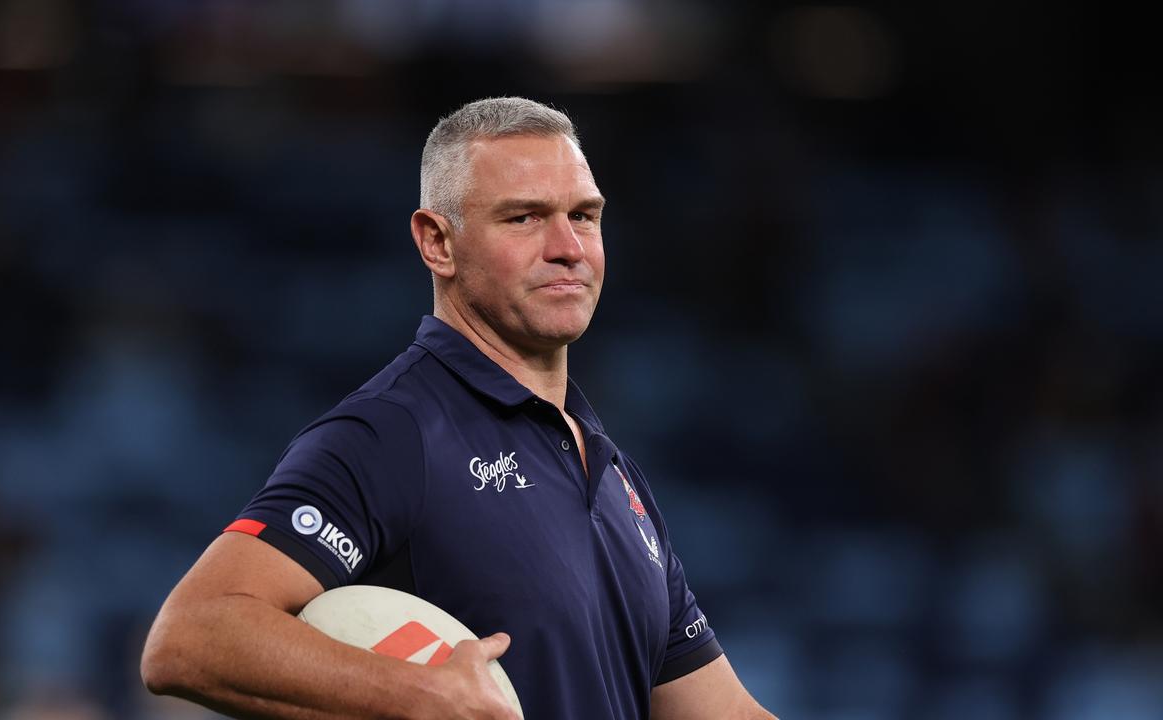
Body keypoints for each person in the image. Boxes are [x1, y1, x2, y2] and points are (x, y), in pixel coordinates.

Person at [141, 97, 776, 720]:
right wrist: (411, 694)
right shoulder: (392, 433)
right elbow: (191, 636)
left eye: (584, 216)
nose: (568, 248)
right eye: (524, 218)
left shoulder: (614, 475)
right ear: (438, 242)